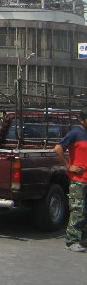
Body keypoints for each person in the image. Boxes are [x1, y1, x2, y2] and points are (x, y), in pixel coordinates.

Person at [54, 108, 87, 252]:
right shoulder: (75, 134)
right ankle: (71, 241)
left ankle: (83, 239)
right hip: (79, 181)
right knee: (78, 211)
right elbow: (58, 148)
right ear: (82, 120)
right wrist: (69, 166)